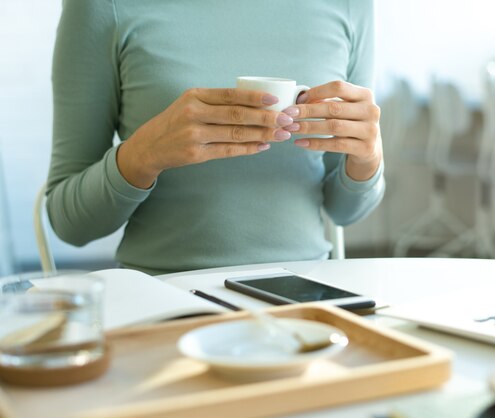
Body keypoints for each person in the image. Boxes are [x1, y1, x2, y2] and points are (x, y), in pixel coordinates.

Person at [47, 0, 384, 275]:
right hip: (164, 298)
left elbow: (344, 210)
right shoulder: (101, 6)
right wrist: (142, 155)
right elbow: (69, 224)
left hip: (305, 292)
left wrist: (367, 158)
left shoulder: (352, 7)